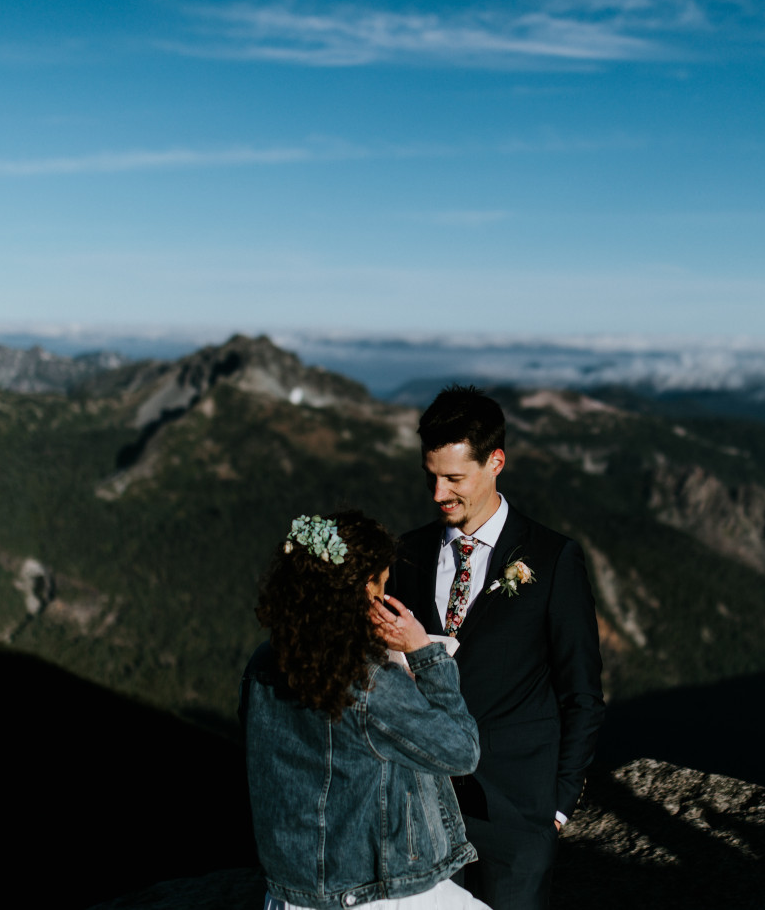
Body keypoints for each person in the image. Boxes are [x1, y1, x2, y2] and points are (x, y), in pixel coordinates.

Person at [389, 386, 606, 910]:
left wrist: (555, 807)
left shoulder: (553, 559)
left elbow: (582, 692)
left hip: (516, 817)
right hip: (421, 815)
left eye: (454, 479)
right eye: (430, 476)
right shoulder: (408, 553)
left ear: (496, 463)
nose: (438, 493)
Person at [240, 510, 492, 910]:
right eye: (381, 585)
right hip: (375, 892)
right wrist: (424, 655)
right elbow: (462, 751)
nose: (383, 598)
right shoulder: (368, 683)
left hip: (293, 890)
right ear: (359, 591)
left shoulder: (264, 664)